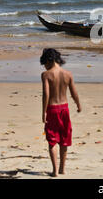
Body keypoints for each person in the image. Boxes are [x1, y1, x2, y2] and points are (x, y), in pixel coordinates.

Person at [40, 48, 81, 177]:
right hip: (64, 109)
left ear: (48, 60)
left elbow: (46, 94)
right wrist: (78, 104)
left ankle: (55, 171)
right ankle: (63, 168)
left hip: (52, 109)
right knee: (64, 139)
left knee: (52, 141)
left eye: (44, 63)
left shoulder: (46, 75)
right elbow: (74, 92)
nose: (44, 66)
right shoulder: (68, 74)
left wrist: (43, 112)